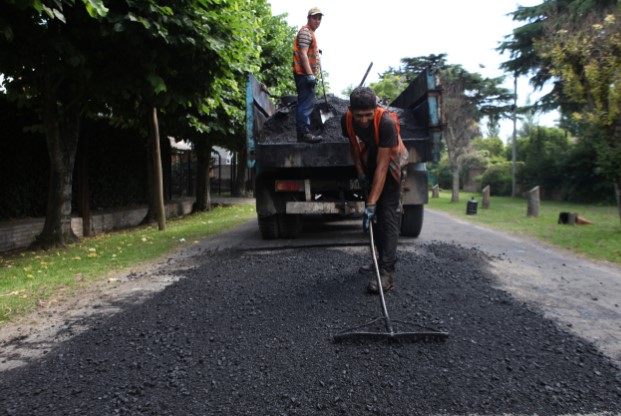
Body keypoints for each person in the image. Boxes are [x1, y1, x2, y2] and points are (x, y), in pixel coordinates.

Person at [341, 87, 408, 294]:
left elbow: (382, 165)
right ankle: (379, 261)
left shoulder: (386, 122)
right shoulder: (346, 120)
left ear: (375, 109)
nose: (363, 120)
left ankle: (387, 273)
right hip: (370, 162)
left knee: (387, 216)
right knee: (375, 219)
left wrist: (370, 203)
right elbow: (353, 145)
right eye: (359, 115)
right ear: (351, 110)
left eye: (368, 115)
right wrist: (360, 173)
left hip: (391, 164)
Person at [292, 7, 323, 144]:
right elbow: (303, 54)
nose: (317, 21)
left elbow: (307, 50)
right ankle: (304, 134)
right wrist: (310, 74)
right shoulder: (305, 32)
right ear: (308, 18)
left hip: (304, 75)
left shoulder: (309, 33)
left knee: (306, 103)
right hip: (304, 75)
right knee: (305, 104)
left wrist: (316, 51)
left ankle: (304, 132)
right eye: (314, 18)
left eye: (319, 18)